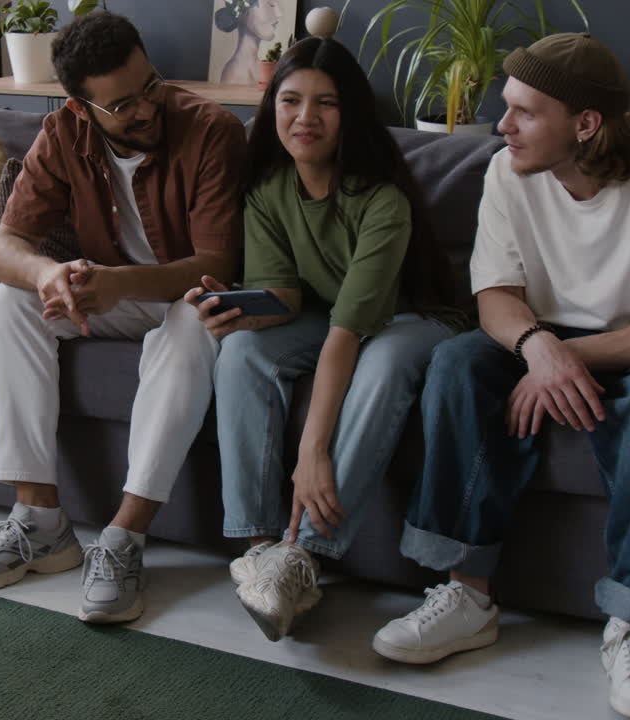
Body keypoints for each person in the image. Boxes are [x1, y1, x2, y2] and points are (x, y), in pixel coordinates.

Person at [371, 33, 630, 720]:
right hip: (539, 336)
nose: (502, 125)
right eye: (505, 107)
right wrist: (540, 347)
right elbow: (495, 296)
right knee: (456, 361)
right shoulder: (508, 171)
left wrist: (570, 358)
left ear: (586, 124)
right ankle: (468, 596)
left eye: (524, 112)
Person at [0, 12, 246, 625]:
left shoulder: (212, 129)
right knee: (11, 298)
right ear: (83, 109)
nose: (145, 109)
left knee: (196, 318)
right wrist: (47, 275)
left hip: (187, 295)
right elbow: (3, 247)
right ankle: (40, 522)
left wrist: (116, 285)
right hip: (113, 294)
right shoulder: (61, 135)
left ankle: (124, 537)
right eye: (122, 105)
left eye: (150, 87)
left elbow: (216, 261)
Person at [185, 36, 462, 642]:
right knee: (243, 351)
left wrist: (312, 453)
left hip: (413, 318)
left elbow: (348, 334)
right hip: (329, 313)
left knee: (383, 361)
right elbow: (283, 297)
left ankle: (305, 555)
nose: (305, 118)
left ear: (351, 113)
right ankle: (262, 549)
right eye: (290, 100)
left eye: (325, 103)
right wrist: (237, 312)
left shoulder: (382, 199)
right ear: (271, 108)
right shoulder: (268, 190)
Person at [215, 0, 282, 85]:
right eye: (270, 5)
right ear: (244, 13)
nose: (279, 13)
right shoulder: (235, 75)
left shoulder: (260, 68)